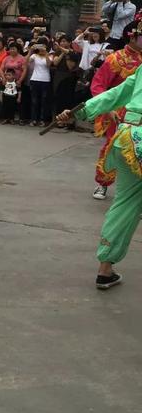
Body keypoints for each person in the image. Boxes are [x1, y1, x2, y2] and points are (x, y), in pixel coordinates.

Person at [57, 34, 142, 289]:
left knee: (125, 203)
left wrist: (78, 111)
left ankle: (105, 269)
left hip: (127, 136)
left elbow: (115, 95)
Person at [89, 19, 142, 200]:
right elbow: (98, 85)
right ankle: (102, 183)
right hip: (119, 114)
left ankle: (136, 193)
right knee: (113, 147)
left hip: (140, 112)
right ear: (132, 37)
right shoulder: (116, 59)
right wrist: (108, 109)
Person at [25, 43, 52, 127]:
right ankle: (33, 119)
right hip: (34, 79)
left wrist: (46, 53)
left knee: (44, 101)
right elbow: (25, 62)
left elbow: (48, 64)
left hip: (45, 80)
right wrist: (30, 51)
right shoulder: (34, 56)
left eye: (42, 47)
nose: (41, 49)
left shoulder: (50, 56)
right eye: (39, 47)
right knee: (34, 101)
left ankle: (42, 120)